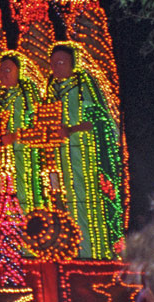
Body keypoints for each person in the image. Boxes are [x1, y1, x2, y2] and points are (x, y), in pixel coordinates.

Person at [45, 41, 124, 259]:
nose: (57, 67)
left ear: (73, 64)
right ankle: (77, 251)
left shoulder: (83, 85)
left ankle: (96, 254)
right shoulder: (52, 90)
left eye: (62, 62)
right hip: (63, 156)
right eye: (53, 63)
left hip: (87, 154)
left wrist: (72, 130)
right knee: (68, 204)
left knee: (89, 203)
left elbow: (98, 117)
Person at [0, 51, 44, 214]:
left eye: (8, 70)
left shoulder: (28, 94)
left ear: (19, 71)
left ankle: (30, 218)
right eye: (0, 70)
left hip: (26, 151)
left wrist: (16, 136)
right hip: (5, 154)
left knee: (27, 187)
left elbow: (39, 125)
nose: (3, 75)